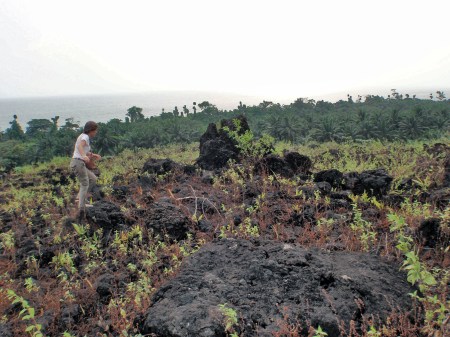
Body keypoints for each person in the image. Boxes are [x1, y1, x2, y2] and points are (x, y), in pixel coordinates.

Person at [69, 121, 102, 216]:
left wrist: (93, 155)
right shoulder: (85, 137)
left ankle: (81, 198)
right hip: (78, 162)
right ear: (91, 130)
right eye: (95, 131)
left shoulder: (82, 136)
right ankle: (82, 206)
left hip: (79, 163)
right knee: (85, 183)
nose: (96, 133)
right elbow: (80, 146)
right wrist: (84, 156)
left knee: (93, 179)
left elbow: (83, 149)